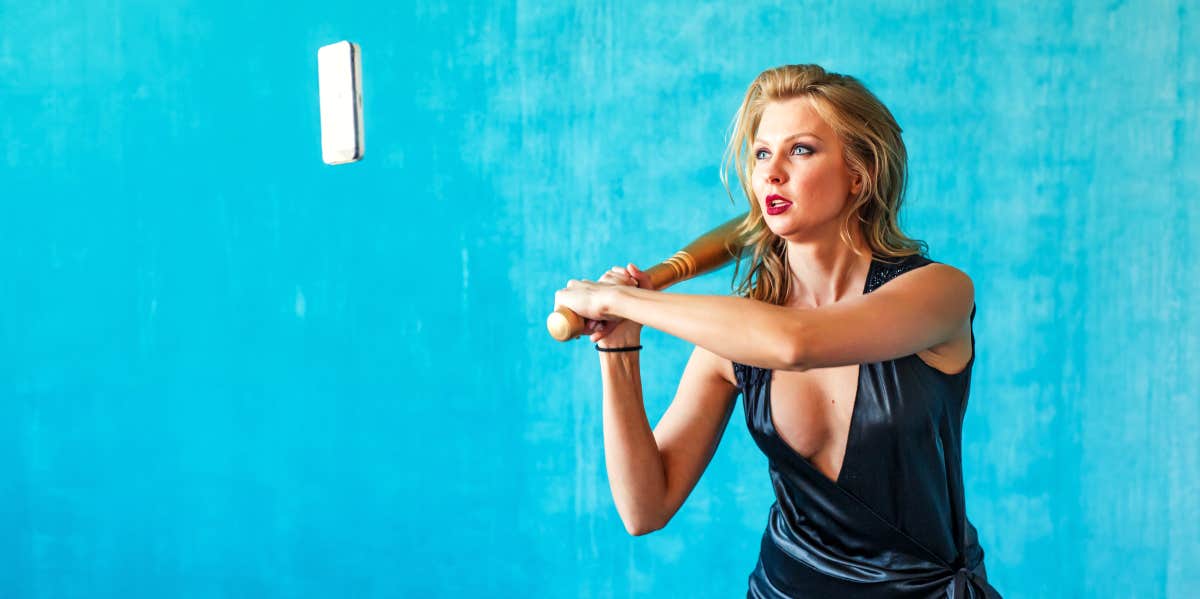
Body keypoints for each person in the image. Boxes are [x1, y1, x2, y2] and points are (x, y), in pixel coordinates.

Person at [553, 64, 1001, 598]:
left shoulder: (939, 293)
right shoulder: (740, 336)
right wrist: (619, 343)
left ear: (859, 173)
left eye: (802, 150)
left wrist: (621, 297)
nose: (771, 173)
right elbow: (643, 507)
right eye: (763, 153)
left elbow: (798, 343)